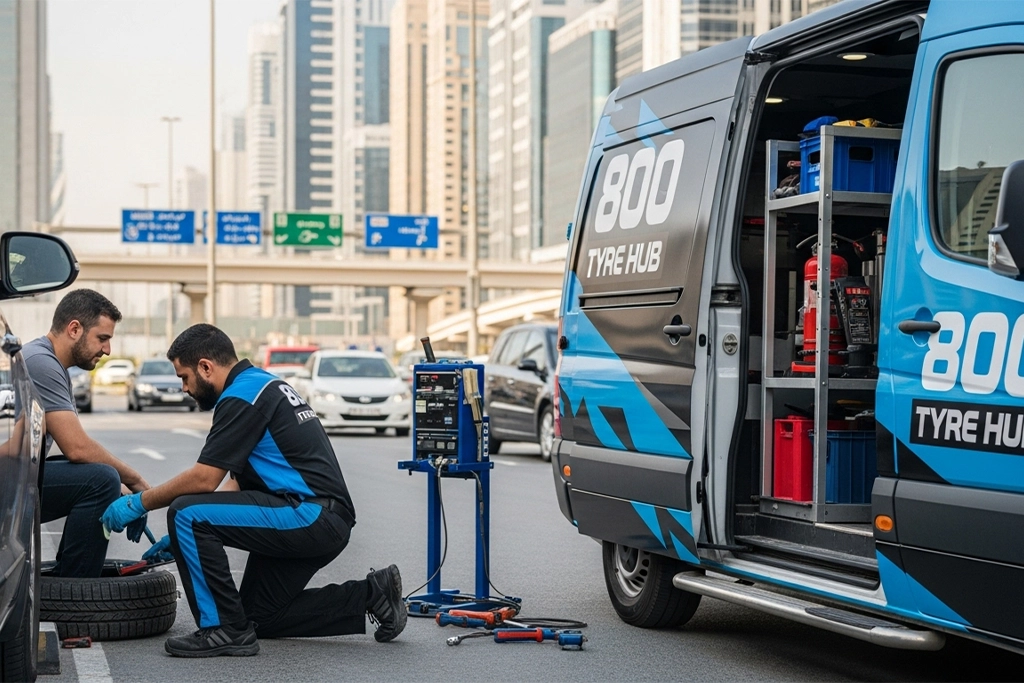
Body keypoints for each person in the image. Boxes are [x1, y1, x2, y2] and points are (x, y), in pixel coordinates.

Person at [101, 324, 406, 658]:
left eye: (184, 377)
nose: (184, 388)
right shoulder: (261, 384)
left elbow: (204, 479)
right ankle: (372, 594)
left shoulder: (241, 396)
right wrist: (184, 540)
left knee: (186, 512)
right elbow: (236, 483)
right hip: (322, 517)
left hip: (309, 515)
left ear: (206, 367)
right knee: (260, 615)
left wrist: (139, 502)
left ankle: (224, 631)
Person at [23, 288, 151, 577]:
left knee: (105, 479)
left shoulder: (50, 364)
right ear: (74, 329)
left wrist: (121, 491)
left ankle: (67, 585)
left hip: (14, 475)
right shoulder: (40, 362)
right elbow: (77, 448)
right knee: (100, 479)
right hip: (9, 481)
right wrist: (137, 481)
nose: (107, 350)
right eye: (102, 338)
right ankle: (77, 590)